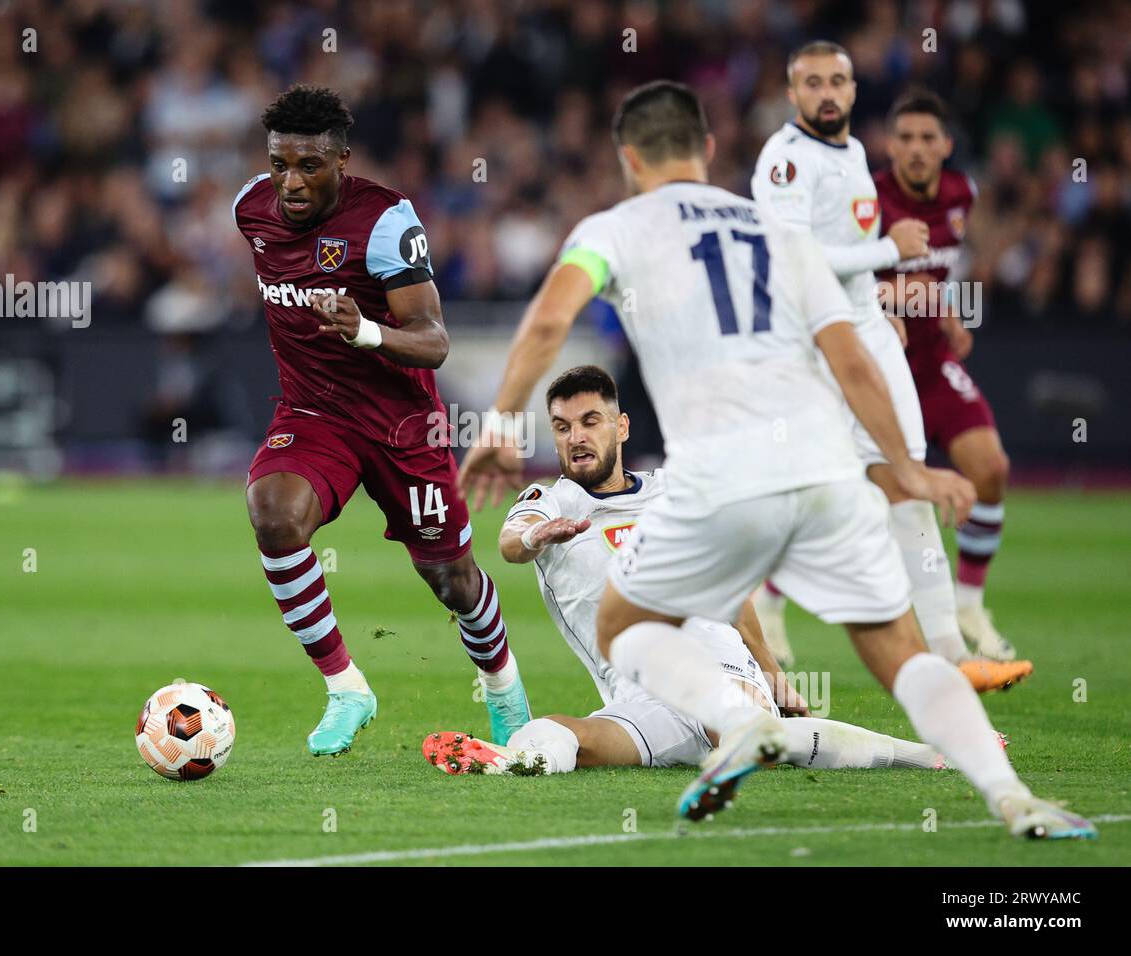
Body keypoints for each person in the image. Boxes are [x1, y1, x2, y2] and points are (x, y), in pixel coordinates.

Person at [458, 80, 1092, 839]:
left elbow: (550, 319)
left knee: (625, 621)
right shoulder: (779, 232)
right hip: (819, 462)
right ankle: (1012, 794)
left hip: (720, 469)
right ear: (711, 149)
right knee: (900, 649)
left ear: (629, 158)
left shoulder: (615, 228)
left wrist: (499, 423)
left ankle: (738, 722)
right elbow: (855, 355)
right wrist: (907, 465)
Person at [426, 365, 957, 778]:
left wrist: (773, 673)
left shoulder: (673, 493)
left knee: (731, 717)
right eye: (562, 428)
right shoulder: (548, 499)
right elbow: (510, 544)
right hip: (640, 697)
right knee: (563, 735)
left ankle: (925, 752)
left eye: (590, 422)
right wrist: (536, 537)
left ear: (621, 425)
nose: (576, 438)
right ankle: (517, 760)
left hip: (720, 664)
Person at [234, 85, 530, 755]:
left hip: (402, 425)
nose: (292, 181)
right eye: (280, 163)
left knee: (451, 580)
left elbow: (433, 339)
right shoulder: (249, 208)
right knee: (274, 514)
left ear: (342, 159)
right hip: (314, 416)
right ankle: (346, 688)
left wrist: (366, 331)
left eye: (309, 165)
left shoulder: (387, 221)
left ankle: (506, 692)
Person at [748, 42, 1030, 691]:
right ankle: (749, 638)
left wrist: (877, 296)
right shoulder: (787, 161)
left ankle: (953, 654)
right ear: (792, 94)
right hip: (812, 342)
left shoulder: (848, 155)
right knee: (809, 491)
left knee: (908, 484)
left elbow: (844, 254)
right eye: (811, 81)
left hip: (867, 331)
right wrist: (884, 254)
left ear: (852, 91)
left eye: (836, 81)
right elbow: (791, 260)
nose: (826, 92)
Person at [876, 88, 1017, 661]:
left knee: (991, 468)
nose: (915, 149)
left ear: (947, 146)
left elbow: (944, 267)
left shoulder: (963, 193)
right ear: (890, 145)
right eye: (905, 138)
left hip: (931, 361)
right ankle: (776, 608)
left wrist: (950, 310)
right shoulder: (868, 199)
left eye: (927, 138)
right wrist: (887, 298)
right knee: (855, 498)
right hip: (878, 365)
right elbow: (831, 277)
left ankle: (968, 604)